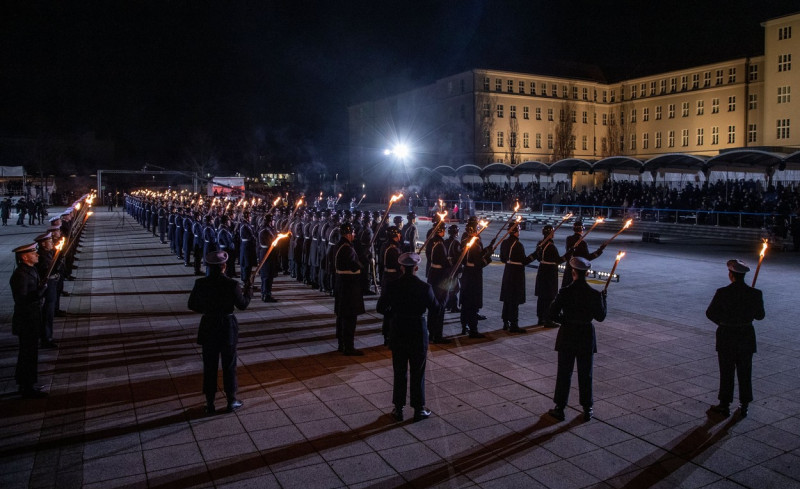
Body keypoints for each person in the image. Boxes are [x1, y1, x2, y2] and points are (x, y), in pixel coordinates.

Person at [188, 250, 252, 414]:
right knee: (229, 365)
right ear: (224, 266)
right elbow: (243, 305)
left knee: (209, 366)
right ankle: (231, 401)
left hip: (209, 325)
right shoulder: (231, 284)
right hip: (226, 327)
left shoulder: (200, 283)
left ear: (209, 266)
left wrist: (208, 309)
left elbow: (192, 305)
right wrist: (249, 292)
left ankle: (210, 403)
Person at [377, 252, 437, 422]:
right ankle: (418, 409)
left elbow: (380, 308)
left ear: (402, 268)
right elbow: (436, 309)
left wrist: (394, 314)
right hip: (417, 331)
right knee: (418, 372)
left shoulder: (392, 285)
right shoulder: (425, 287)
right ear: (416, 268)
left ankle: (398, 408)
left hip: (399, 330)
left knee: (400, 371)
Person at [547, 257, 607, 422]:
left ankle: (560, 408)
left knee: (564, 373)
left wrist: (565, 321)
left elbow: (552, 313)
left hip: (567, 334)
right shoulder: (594, 294)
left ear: (573, 272)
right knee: (585, 374)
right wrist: (604, 300)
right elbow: (600, 317)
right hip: (585, 336)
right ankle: (587, 408)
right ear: (587, 273)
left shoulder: (565, 292)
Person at [706, 259, 765, 418]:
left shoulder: (723, 292)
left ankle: (724, 404)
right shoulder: (755, 293)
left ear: (731, 275)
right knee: (745, 371)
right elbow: (760, 316)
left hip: (727, 335)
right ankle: (744, 404)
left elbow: (710, 313)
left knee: (727, 371)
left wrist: (724, 323)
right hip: (745, 335)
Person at [10, 242, 48, 398]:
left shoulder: (30, 270)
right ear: (25, 257)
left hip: (32, 318)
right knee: (27, 354)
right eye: (33, 253)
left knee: (31, 353)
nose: (37, 254)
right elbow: (22, 299)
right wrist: (41, 291)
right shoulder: (20, 274)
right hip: (26, 320)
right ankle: (26, 387)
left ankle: (28, 383)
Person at [333, 222, 366, 355]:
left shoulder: (340, 245)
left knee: (342, 317)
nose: (354, 234)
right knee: (349, 318)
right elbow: (354, 266)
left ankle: (342, 344)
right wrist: (364, 259)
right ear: (347, 234)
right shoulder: (347, 248)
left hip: (342, 284)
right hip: (349, 286)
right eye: (352, 232)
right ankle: (348, 346)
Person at [499, 223, 534, 333]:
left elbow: (502, 259)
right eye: (518, 230)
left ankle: (505, 322)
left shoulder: (504, 242)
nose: (519, 232)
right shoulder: (518, 244)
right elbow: (524, 261)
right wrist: (535, 255)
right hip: (516, 273)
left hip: (508, 270)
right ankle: (514, 324)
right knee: (514, 299)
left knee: (507, 298)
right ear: (514, 232)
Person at [534, 224, 566, 327]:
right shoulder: (551, 246)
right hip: (549, 272)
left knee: (542, 297)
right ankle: (548, 319)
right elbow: (557, 260)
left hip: (542, 270)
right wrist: (568, 255)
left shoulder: (540, 244)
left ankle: (540, 318)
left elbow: (538, 258)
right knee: (549, 296)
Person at [561, 220, 606, 289]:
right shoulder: (582, 242)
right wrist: (600, 250)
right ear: (581, 229)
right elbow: (587, 258)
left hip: (569, 267)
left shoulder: (569, 239)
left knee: (566, 289)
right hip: (577, 269)